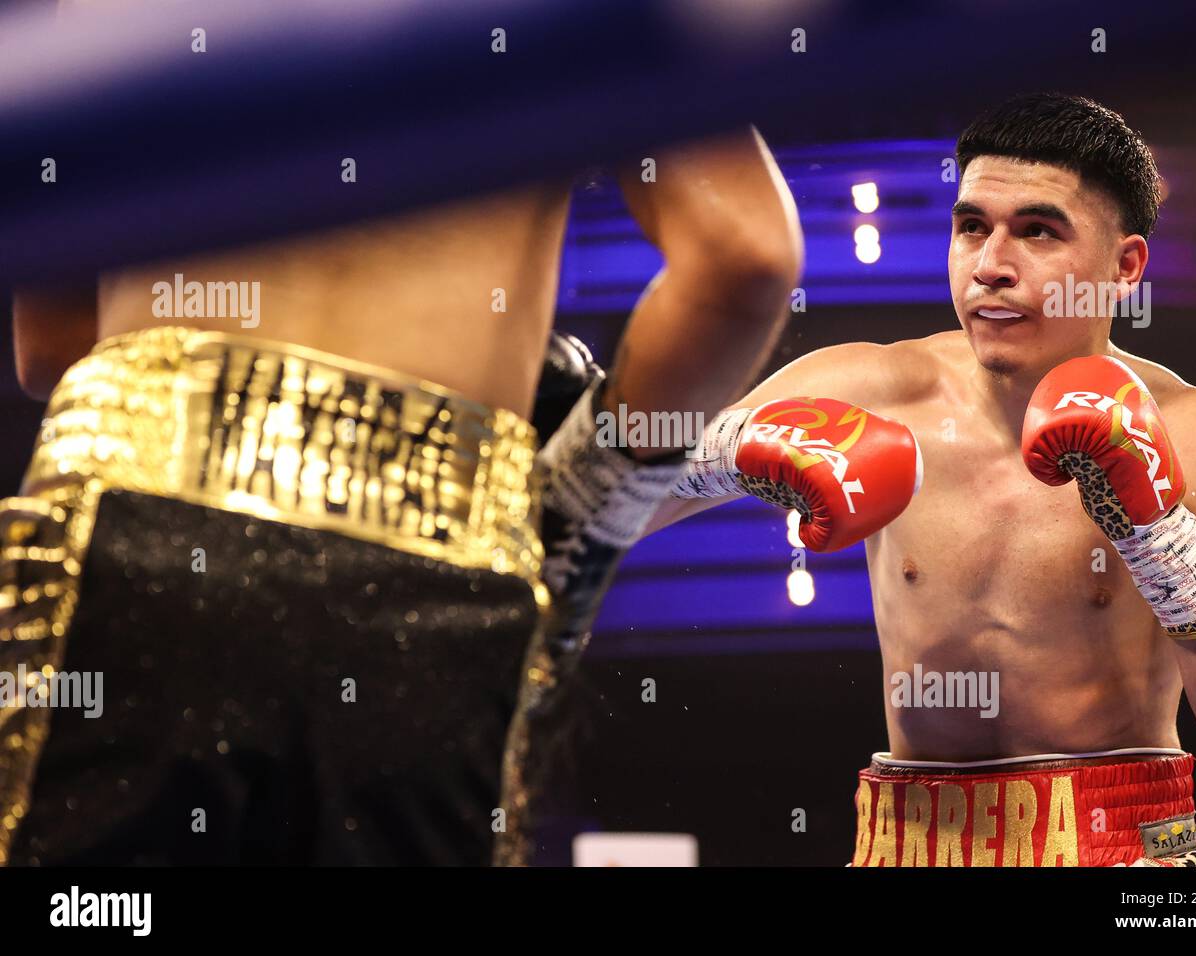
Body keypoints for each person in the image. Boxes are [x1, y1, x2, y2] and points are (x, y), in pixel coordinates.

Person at [1, 112, 801, 865]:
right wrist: (580, 514)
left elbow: (52, 343)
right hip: (431, 564)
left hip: (135, 516)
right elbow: (747, 256)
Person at [652, 93, 1196, 866]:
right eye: (971, 228)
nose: (991, 265)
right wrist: (726, 449)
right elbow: (601, 504)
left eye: (1037, 231)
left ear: (1124, 267)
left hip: (1128, 852)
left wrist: (1161, 536)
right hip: (906, 845)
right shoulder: (869, 388)